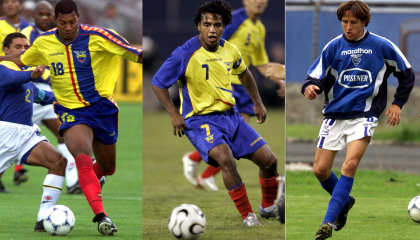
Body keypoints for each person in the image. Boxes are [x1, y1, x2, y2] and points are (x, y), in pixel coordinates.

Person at [0, 0, 143, 235]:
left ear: (79, 17)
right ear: (55, 20)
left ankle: (94, 180)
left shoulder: (100, 36)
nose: (68, 27)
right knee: (82, 157)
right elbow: (22, 61)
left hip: (102, 108)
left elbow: (135, 54)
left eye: (73, 21)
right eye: (63, 22)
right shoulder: (43, 42)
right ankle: (101, 216)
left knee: (107, 167)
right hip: (70, 111)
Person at [152, 0, 278, 226]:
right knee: (225, 159)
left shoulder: (230, 49)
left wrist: (257, 103)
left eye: (217, 25)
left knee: (270, 161)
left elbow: (245, 73)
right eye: (207, 24)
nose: (212, 29)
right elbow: (158, 82)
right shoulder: (184, 53)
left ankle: (268, 207)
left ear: (223, 26)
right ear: (199, 26)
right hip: (200, 121)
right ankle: (248, 216)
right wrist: (173, 113)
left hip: (231, 117)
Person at [301, 1, 415, 239]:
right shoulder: (333, 47)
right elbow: (315, 77)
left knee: (349, 165)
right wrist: (310, 88)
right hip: (334, 115)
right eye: (345, 22)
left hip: (365, 115)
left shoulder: (381, 46)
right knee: (320, 170)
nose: (348, 27)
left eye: (354, 22)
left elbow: (406, 73)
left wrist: (397, 104)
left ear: (364, 22)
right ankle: (344, 202)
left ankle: (327, 223)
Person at [181, 0, 285, 194]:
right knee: (234, 138)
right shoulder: (233, 21)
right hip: (228, 88)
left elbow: (261, 63)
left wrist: (280, 79)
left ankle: (198, 166)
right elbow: (211, 46)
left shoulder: (259, 28)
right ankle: (199, 167)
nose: (259, 2)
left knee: (235, 139)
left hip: (244, 88)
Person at [0, 32, 67, 232]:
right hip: (4, 134)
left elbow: (43, 96)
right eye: (18, 46)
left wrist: (73, 96)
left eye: (26, 46)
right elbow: (12, 78)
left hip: (26, 134)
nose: (23, 50)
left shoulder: (25, 76)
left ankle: (43, 220)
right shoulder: (4, 68)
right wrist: (33, 74)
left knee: (58, 161)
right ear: (6, 51)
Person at [21, 0, 81, 195]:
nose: (45, 18)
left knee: (63, 132)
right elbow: (19, 60)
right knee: (11, 139)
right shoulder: (27, 35)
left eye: (48, 14)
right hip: (27, 92)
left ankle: (73, 182)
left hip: (47, 96)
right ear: (34, 16)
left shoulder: (58, 37)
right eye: (41, 14)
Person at [0, 0, 32, 191]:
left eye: (14, 1)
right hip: (5, 77)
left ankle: (18, 168)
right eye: (7, 1)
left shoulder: (29, 28)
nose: (10, 4)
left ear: (20, 5)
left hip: (21, 77)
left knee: (21, 124)